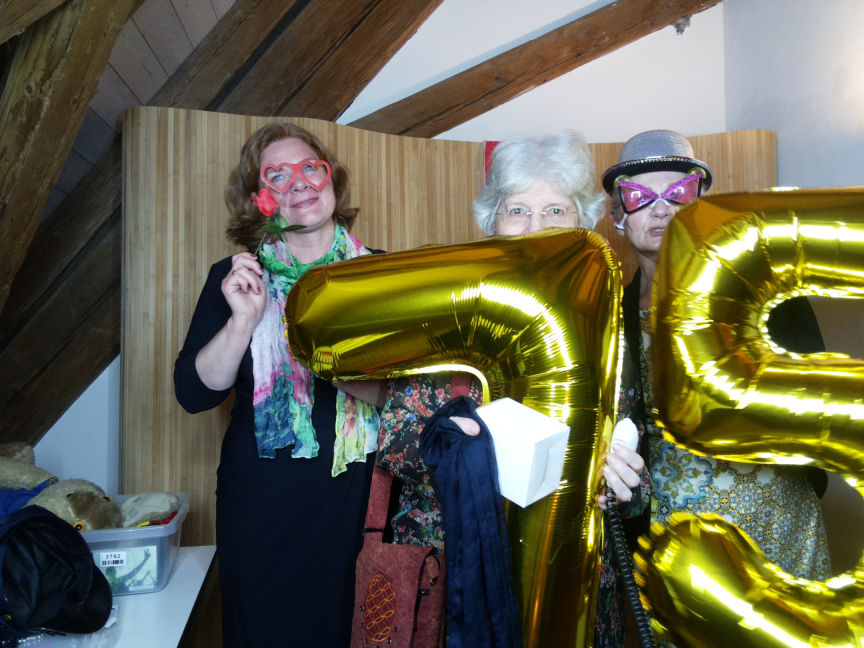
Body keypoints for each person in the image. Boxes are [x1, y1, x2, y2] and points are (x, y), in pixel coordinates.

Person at [376, 131, 642, 646]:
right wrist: (464, 449)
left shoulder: (605, 328)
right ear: (492, 221)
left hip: (569, 590)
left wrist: (626, 482)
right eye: (518, 210)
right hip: (454, 584)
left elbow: (635, 472)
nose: (536, 228)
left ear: (582, 226)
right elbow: (393, 444)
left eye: (555, 211)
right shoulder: (444, 313)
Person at [601, 130, 831, 642]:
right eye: (640, 196)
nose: (661, 208)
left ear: (700, 201)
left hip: (777, 518)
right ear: (619, 213)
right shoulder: (610, 314)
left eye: (677, 193)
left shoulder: (766, 284)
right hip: (674, 533)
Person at [174, 122, 383, 646]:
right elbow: (194, 394)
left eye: (310, 167)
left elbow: (408, 398)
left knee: (353, 628)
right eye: (277, 176)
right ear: (260, 199)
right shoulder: (236, 278)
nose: (300, 183)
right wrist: (243, 320)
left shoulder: (382, 273)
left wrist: (328, 358)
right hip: (261, 501)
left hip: (358, 494)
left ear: (331, 178)